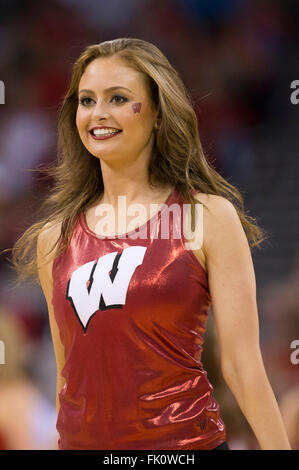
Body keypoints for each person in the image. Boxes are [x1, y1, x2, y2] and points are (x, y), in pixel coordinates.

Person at [8, 38, 291, 450]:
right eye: (87, 101)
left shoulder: (207, 217)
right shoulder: (56, 236)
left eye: (118, 98)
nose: (98, 113)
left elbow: (242, 365)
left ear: (158, 112)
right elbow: (68, 378)